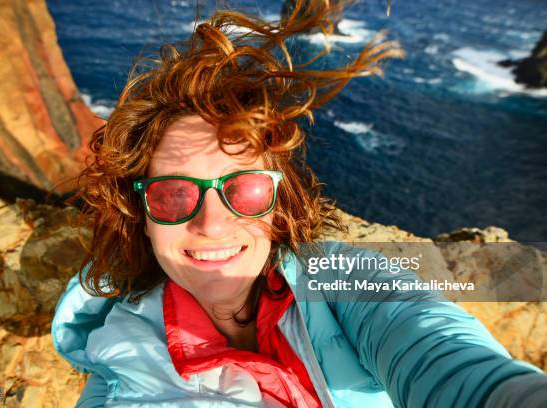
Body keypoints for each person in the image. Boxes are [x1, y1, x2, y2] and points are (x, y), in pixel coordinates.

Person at [51, 1, 546, 406]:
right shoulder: (125, 367)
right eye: (174, 193)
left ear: (276, 199)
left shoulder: (345, 282)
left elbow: (444, 358)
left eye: (242, 187)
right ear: (140, 217)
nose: (213, 222)